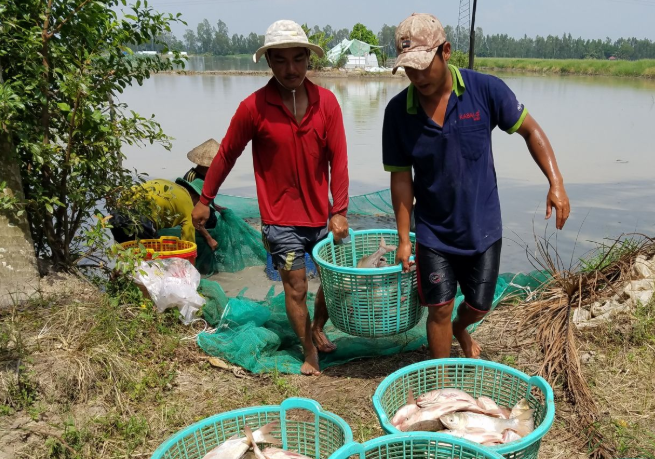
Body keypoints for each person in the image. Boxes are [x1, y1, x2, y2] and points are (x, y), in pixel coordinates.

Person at [383, 13, 571, 359]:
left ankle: (462, 328)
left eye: (423, 66)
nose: (417, 76)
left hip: (482, 227)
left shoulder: (485, 90)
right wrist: (403, 239)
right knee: (439, 308)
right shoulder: (398, 113)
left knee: (479, 305)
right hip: (433, 232)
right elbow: (401, 178)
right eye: (409, 68)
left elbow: (530, 130)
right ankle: (441, 380)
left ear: (446, 52)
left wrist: (555, 182)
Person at [191, 20, 349, 376]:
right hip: (281, 221)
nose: (291, 69)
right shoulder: (254, 107)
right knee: (296, 289)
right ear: (268, 62)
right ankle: (308, 349)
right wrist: (205, 198)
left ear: (308, 59)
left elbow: (339, 160)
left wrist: (339, 210)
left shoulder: (327, 103)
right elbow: (227, 154)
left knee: (336, 283)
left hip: (322, 218)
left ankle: (317, 325)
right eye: (281, 60)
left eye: (298, 59)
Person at [109, 179, 217, 252]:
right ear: (198, 198)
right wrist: (190, 272)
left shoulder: (170, 186)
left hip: (116, 214)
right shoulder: (188, 205)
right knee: (154, 261)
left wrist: (208, 237)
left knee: (125, 256)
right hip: (140, 220)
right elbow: (188, 245)